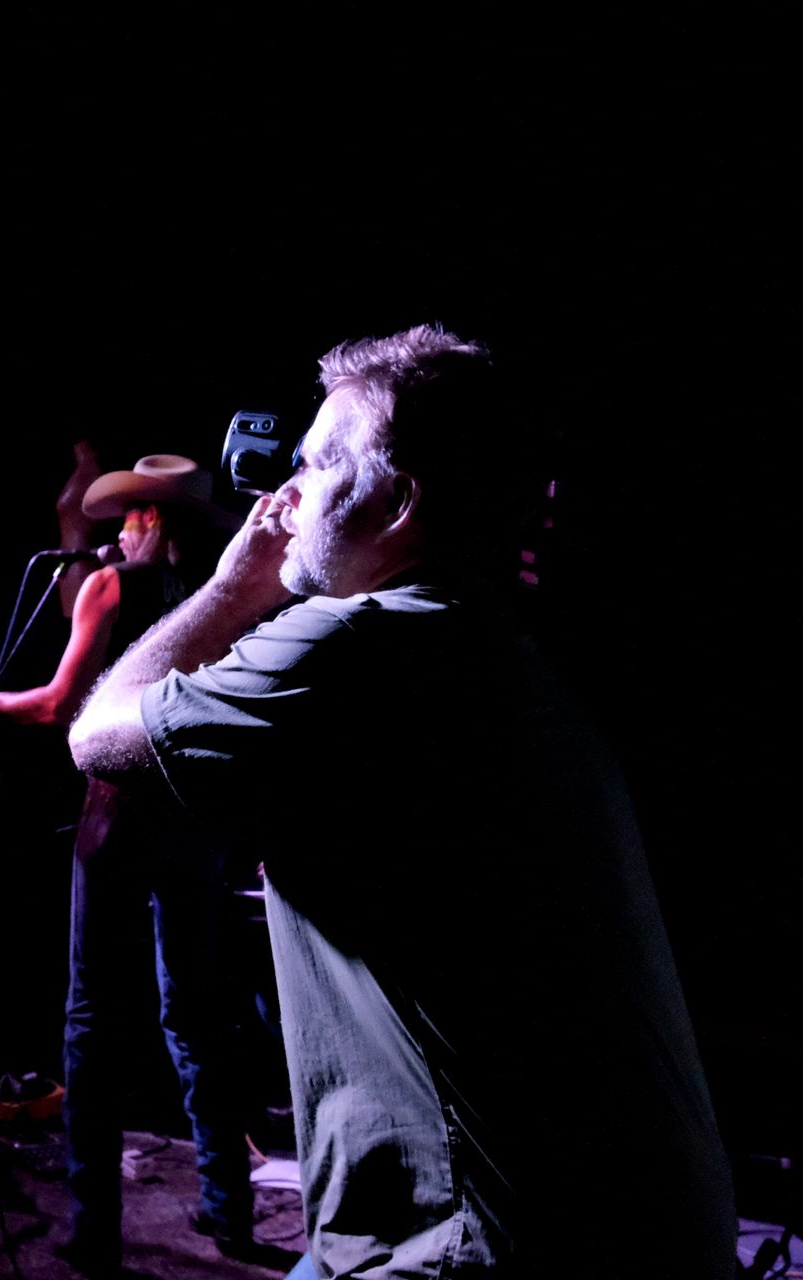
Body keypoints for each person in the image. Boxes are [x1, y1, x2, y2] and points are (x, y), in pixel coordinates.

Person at [68, 325, 735, 1277]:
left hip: (484, 1237)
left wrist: (233, 588)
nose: (282, 498)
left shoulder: (355, 647)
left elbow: (96, 736)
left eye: (314, 467)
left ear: (397, 502)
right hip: (623, 1215)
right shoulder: (489, 633)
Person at [0, 455, 269, 1269]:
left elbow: (59, 705)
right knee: (196, 1009)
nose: (119, 532)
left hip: (120, 812)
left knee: (92, 1016)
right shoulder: (227, 598)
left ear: (150, 518)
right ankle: (228, 1206)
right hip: (200, 814)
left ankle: (93, 1227)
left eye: (130, 517)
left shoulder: (111, 587)